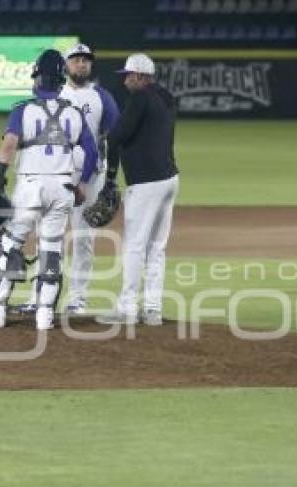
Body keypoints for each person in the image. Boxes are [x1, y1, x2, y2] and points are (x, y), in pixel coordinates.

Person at [0, 49, 98, 331]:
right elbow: (92, 152)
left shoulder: (23, 109)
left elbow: (8, 146)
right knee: (51, 249)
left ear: (39, 78)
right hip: (63, 187)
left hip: (30, 187)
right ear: (62, 79)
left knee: (9, 244)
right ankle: (44, 316)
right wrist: (82, 184)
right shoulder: (74, 114)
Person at [19, 43, 119, 315]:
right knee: (45, 237)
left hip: (90, 176)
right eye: (76, 60)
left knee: (83, 238)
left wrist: (110, 177)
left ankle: (77, 298)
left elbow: (115, 138)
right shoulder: (52, 93)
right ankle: (38, 294)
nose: (82, 64)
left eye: (86, 60)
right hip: (56, 174)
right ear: (65, 65)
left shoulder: (101, 97)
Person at [96, 53, 179, 327]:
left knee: (134, 245)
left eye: (129, 75)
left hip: (146, 183)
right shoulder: (166, 96)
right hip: (169, 179)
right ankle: (153, 309)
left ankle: (127, 308)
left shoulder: (141, 97)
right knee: (157, 247)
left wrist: (108, 165)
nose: (126, 80)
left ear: (141, 76)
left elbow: (118, 135)